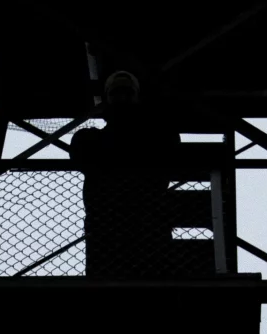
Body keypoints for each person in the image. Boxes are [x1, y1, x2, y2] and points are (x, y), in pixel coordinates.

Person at [69, 68, 188, 277]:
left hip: (130, 223)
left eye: (126, 92)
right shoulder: (155, 136)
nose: (121, 98)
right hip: (124, 222)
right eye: (116, 93)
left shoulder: (93, 140)